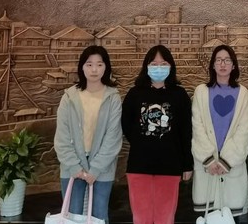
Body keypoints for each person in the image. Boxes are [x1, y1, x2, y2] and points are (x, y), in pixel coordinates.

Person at [121, 45, 193, 224]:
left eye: (163, 63)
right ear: (146, 66)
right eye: (154, 64)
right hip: (139, 165)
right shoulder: (135, 93)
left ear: (171, 66)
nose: (159, 67)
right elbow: (126, 124)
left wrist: (187, 164)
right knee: (141, 218)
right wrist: (142, 142)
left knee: (165, 218)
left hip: (170, 166)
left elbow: (186, 131)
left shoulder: (179, 94)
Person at [54, 45, 123, 224]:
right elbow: (62, 137)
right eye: (89, 64)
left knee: (99, 215)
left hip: (102, 166)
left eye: (99, 64)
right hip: (72, 165)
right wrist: (74, 166)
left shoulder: (113, 97)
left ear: (106, 67)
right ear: (82, 67)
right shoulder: (69, 97)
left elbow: (113, 137)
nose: (94, 69)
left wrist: (96, 169)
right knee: (72, 215)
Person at [191, 45, 248, 217]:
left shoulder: (242, 93)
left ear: (234, 65)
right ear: (212, 65)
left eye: (227, 60)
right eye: (218, 60)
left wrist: (227, 160)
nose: (223, 64)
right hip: (207, 166)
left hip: (231, 166)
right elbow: (197, 127)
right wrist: (209, 159)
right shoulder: (201, 92)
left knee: (229, 216)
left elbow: (245, 129)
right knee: (207, 215)